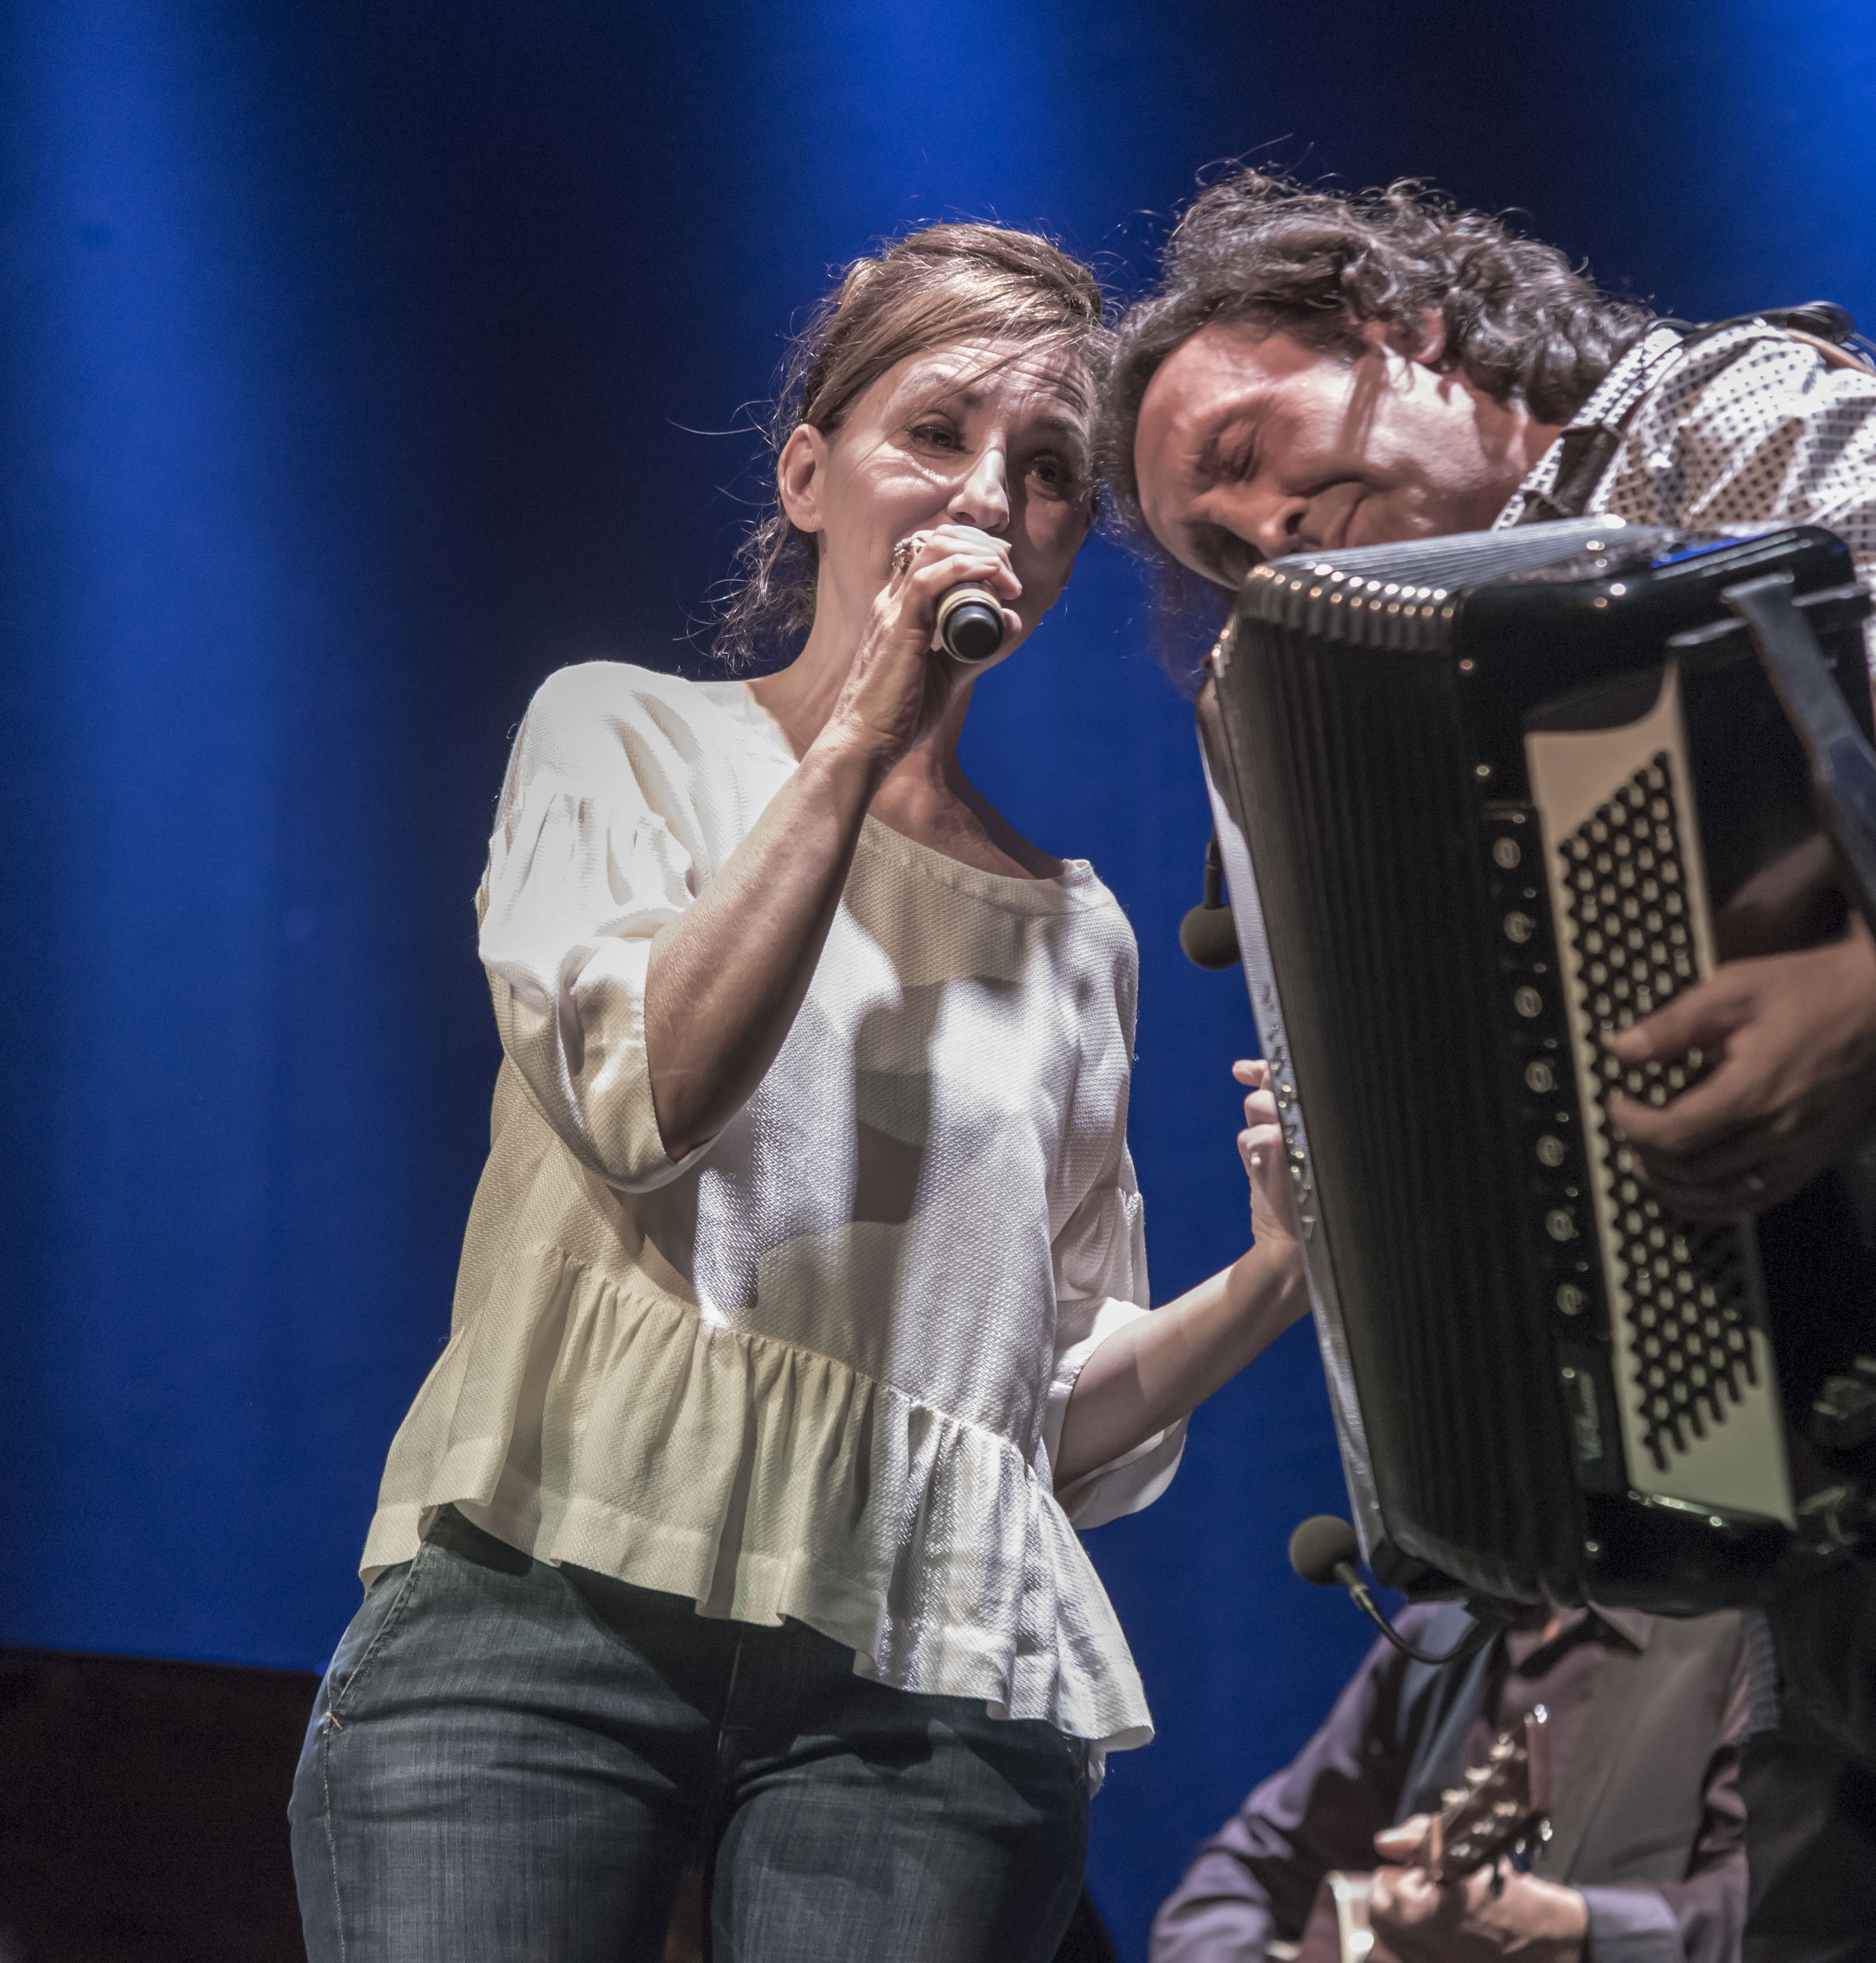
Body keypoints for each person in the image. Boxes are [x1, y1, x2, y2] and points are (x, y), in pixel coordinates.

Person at [1096, 172, 1876, 1961]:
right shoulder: (1418, 685)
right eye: (1205, 540)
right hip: (1809, 1507)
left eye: (1241, 444)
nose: (1252, 533)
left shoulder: (1714, 412)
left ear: (1401, 326)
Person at [287, 223, 1315, 1963]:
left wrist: (1276, 1276)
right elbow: (647, 1098)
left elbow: (1017, 1422)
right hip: (546, 1614)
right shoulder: (624, 737)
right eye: (936, 434)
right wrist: (859, 733)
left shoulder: (1079, 932)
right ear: (806, 471)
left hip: (921, 1679)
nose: (992, 497)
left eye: (1050, 470)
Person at [1154, 1602, 1751, 1963]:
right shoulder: (1443, 1634)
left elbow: (1796, 1915)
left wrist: (1580, 1934)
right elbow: (1238, 1878)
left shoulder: (1755, 1635)